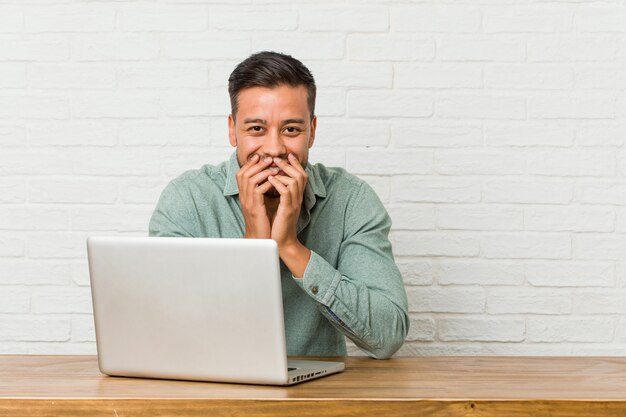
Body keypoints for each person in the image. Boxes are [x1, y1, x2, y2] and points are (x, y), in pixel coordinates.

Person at [149, 51, 409, 359]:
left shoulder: (352, 200)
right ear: (233, 130)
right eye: (257, 129)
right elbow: (167, 331)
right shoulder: (187, 199)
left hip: (317, 397)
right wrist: (254, 246)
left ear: (312, 131)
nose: (274, 149)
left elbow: (387, 335)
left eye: (291, 130)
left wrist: (290, 247)